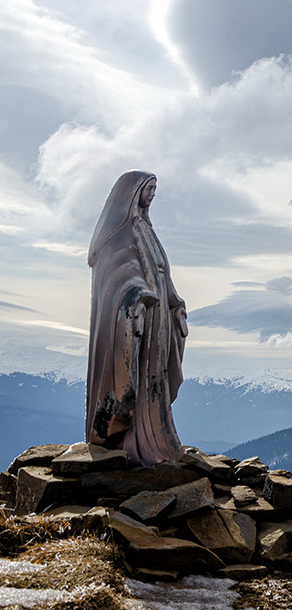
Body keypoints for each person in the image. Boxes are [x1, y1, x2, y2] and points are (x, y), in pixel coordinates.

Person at [86, 171, 187, 466]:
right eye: (149, 189)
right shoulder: (120, 235)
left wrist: (175, 303)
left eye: (155, 189)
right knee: (139, 377)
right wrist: (136, 297)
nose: (153, 194)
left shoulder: (148, 231)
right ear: (133, 192)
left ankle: (158, 439)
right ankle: (131, 441)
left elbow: (162, 274)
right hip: (140, 315)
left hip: (158, 320)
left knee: (154, 378)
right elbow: (119, 274)